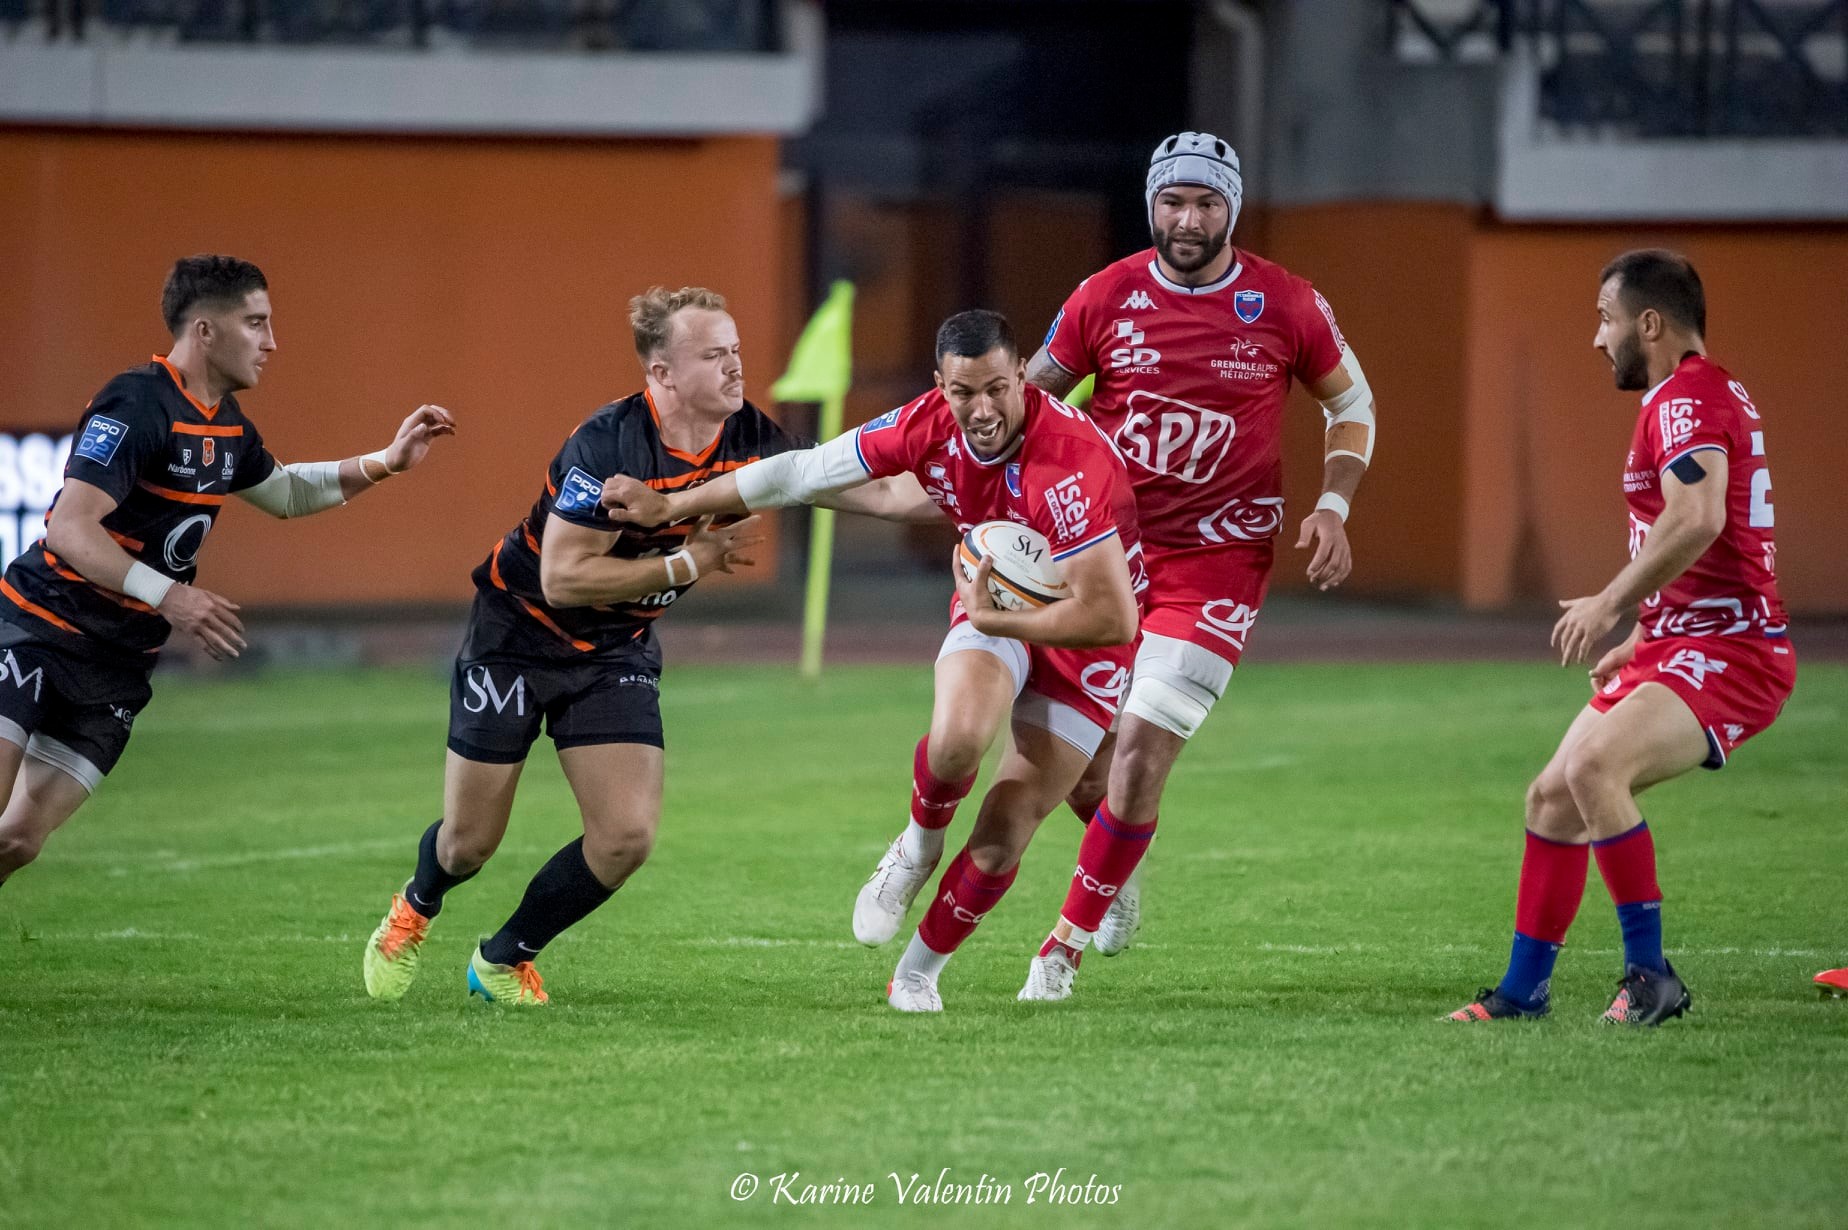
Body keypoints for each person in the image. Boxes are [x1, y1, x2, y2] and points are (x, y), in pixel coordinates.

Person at [360, 286, 930, 1006]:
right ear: (661, 373)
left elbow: (883, 494)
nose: (734, 368)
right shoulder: (606, 446)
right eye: (713, 354)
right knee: (467, 844)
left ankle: (503, 959)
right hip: (516, 639)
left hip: (614, 651)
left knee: (626, 837)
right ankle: (415, 906)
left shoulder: (752, 438)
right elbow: (563, 579)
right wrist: (689, 564)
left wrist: (983, 483)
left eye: (737, 352)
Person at [601, 309, 1142, 1012]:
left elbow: (1112, 616)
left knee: (1009, 825)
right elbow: (799, 472)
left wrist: (989, 615)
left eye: (998, 390)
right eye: (963, 392)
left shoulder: (1072, 463)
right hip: (997, 600)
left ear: (1024, 379)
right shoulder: (923, 423)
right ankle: (917, 848)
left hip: (1085, 637)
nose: (982, 410)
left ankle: (917, 972)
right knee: (954, 744)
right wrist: (665, 501)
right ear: (939, 386)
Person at [1013, 131, 1379, 999]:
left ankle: (1058, 951)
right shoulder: (1104, 297)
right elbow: (1030, 406)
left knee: (1139, 753)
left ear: (1233, 208)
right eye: (1173, 202)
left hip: (1220, 559)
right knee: (1084, 768)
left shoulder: (1285, 303)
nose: (1188, 219)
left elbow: (1352, 404)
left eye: (1207, 202)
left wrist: (1334, 503)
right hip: (1106, 554)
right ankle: (1118, 866)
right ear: (1152, 206)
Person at [0, 254, 454, 888]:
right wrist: (172, 598)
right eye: (256, 323)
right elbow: (70, 528)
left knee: (18, 840)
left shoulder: (227, 427)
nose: (272, 343)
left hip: (116, 663)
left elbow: (289, 493)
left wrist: (387, 460)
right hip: (37, 629)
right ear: (205, 330)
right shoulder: (137, 403)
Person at [1447, 250, 1795, 1027]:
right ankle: (1521, 994)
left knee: (1598, 767)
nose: (1597, 340)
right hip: (1686, 642)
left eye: (1605, 320)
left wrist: (1609, 601)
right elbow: (1710, 532)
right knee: (1552, 794)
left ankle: (1651, 979)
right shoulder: (1703, 393)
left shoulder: (1683, 399)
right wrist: (1644, 632)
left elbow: (1698, 518)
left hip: (1731, 652)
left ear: (1649, 323)